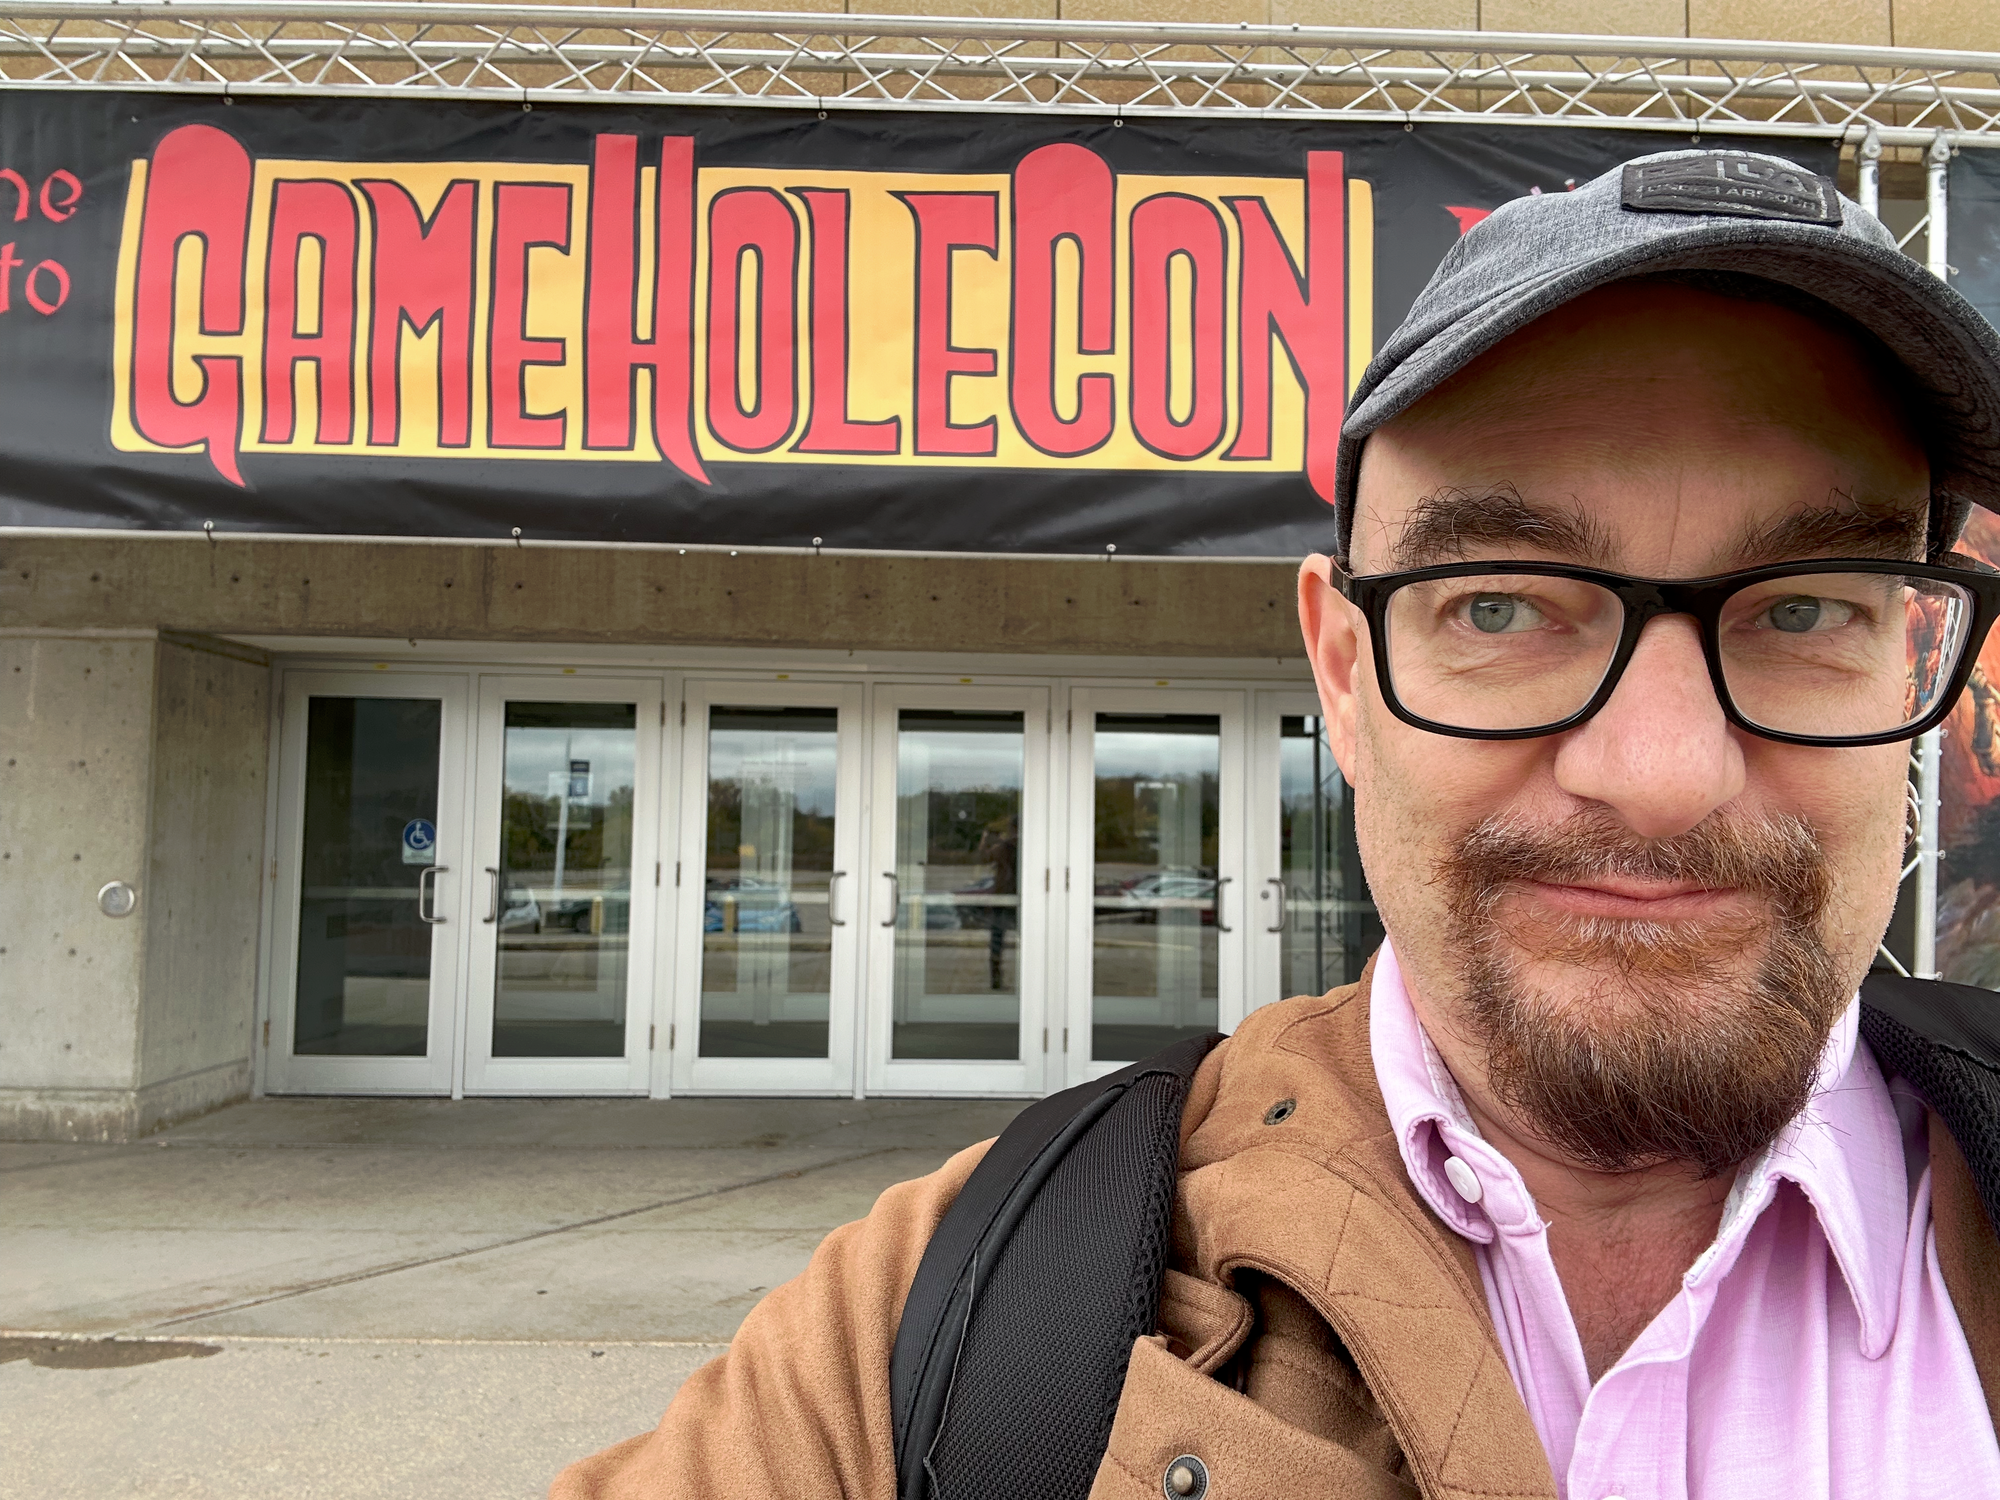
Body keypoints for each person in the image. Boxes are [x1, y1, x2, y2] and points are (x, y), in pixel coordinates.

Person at [554, 149, 2000, 1498]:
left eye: (1809, 609)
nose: (1663, 770)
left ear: (1925, 664)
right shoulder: (951, 1315)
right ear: (1347, 675)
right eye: (1498, 604)